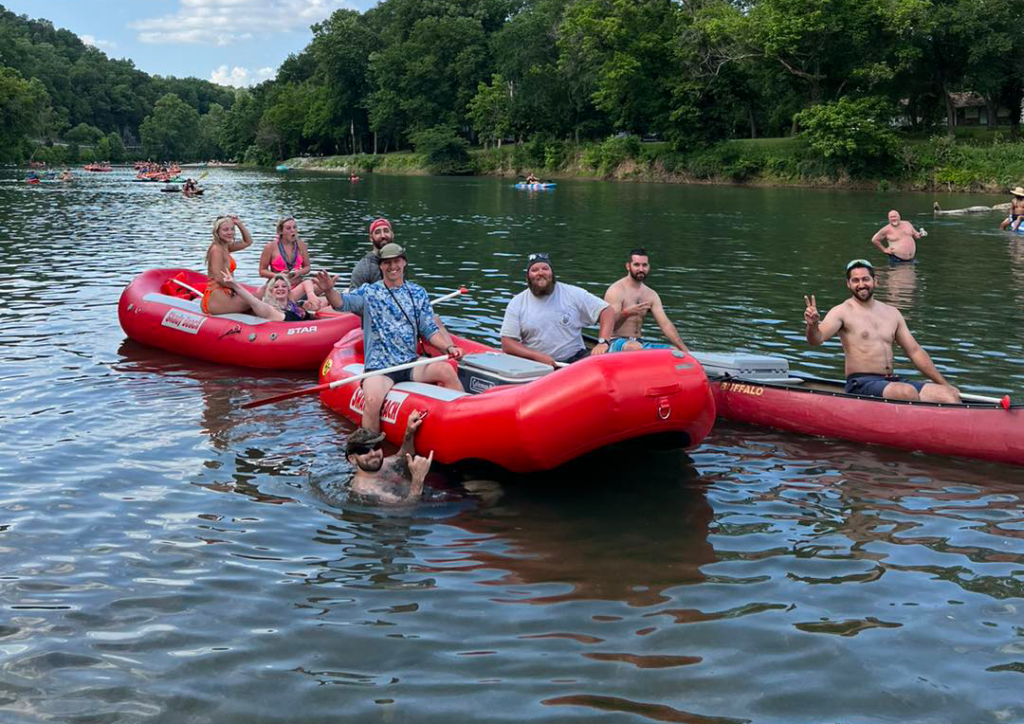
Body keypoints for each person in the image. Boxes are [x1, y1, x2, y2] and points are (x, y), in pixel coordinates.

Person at [315, 243, 465, 433]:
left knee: (447, 370)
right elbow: (342, 303)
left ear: (404, 263)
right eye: (387, 262)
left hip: (409, 363)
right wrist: (329, 290)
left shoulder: (418, 293)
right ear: (381, 266)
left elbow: (429, 329)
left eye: (396, 261)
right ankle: (371, 452)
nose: (392, 266)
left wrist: (449, 348)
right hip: (380, 368)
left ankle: (461, 421)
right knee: (372, 400)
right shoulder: (369, 292)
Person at [804, 259, 960, 402]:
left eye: (865, 279)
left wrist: (944, 384)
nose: (861, 284)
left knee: (949, 395)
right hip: (861, 383)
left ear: (875, 281)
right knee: (906, 392)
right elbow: (816, 339)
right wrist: (812, 326)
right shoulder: (842, 311)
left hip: (891, 381)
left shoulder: (892, 313)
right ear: (848, 284)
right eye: (855, 280)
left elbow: (915, 351)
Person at [500, 252, 616, 366]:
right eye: (534, 270)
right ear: (528, 277)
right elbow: (507, 343)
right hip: (537, 364)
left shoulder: (572, 293)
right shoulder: (517, 303)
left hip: (576, 360)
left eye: (545, 268)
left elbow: (607, 311)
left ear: (552, 273)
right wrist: (536, 356)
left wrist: (603, 342)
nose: (540, 273)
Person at [603, 247, 689, 353]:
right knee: (636, 347)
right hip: (615, 342)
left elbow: (666, 325)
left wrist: (685, 350)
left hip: (639, 342)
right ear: (628, 266)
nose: (641, 269)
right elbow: (609, 326)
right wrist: (626, 313)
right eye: (636, 265)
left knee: (673, 351)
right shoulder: (616, 290)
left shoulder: (651, 295)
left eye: (644, 265)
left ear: (649, 267)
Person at [345, 411, 434, 505]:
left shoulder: (385, 463)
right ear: (352, 459)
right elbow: (406, 510)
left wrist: (409, 432)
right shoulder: (367, 489)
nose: (373, 453)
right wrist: (418, 478)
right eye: (363, 450)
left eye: (376, 446)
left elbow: (402, 455)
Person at [257, 216, 325, 308]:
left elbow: (307, 267)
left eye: (294, 227)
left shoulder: (301, 245)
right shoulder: (271, 247)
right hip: (279, 287)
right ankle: (301, 305)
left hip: (297, 285)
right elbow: (262, 271)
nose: (293, 230)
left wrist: (298, 272)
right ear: (281, 231)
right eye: (288, 228)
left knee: (323, 287)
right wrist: (278, 275)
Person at [201, 215, 255, 315]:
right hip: (217, 298)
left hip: (227, 292)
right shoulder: (216, 250)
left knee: (256, 304)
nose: (230, 232)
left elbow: (248, 242)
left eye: (232, 229)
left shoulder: (226, 246)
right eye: (225, 230)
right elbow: (218, 278)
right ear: (217, 232)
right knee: (258, 296)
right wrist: (237, 289)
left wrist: (239, 223)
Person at [218, 271, 317, 322]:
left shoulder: (290, 300)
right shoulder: (269, 310)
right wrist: (234, 284)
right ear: (271, 291)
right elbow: (252, 301)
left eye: (284, 286)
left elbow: (307, 282)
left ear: (288, 289)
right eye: (276, 287)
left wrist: (311, 295)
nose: (280, 289)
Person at [348, 217, 394, 289]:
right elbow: (353, 298)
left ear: (392, 234)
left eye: (386, 231)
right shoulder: (363, 268)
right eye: (377, 232)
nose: (383, 236)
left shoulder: (400, 263)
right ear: (371, 238)